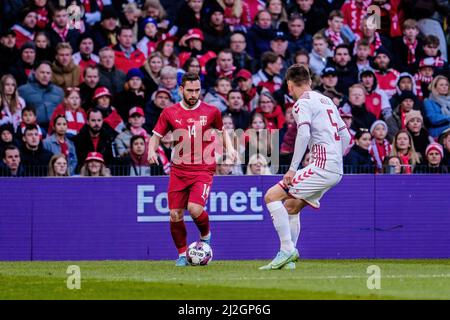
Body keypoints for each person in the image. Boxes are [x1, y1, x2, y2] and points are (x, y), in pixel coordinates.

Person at [261, 64, 351, 270]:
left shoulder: (301, 104)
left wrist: (292, 169)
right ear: (310, 82)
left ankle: (286, 250)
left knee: (271, 196)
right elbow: (346, 136)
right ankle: (288, 263)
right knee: (291, 207)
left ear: (289, 85)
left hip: (322, 165)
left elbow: (303, 133)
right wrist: (335, 157)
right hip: (335, 168)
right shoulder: (327, 100)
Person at [147, 72, 236, 267]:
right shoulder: (169, 112)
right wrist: (151, 150)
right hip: (178, 170)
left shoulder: (212, 111)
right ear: (181, 90)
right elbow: (155, 135)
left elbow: (223, 133)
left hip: (203, 169)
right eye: (190, 90)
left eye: (197, 90)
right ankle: (181, 254)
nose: (194, 94)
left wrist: (229, 149)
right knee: (175, 214)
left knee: (195, 209)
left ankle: (205, 235)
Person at [18, 60, 64, 130]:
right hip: (33, 129)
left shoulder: (59, 91)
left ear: (51, 75)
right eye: (42, 72)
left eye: (48, 73)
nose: (45, 75)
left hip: (55, 129)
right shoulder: (23, 90)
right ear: (35, 72)